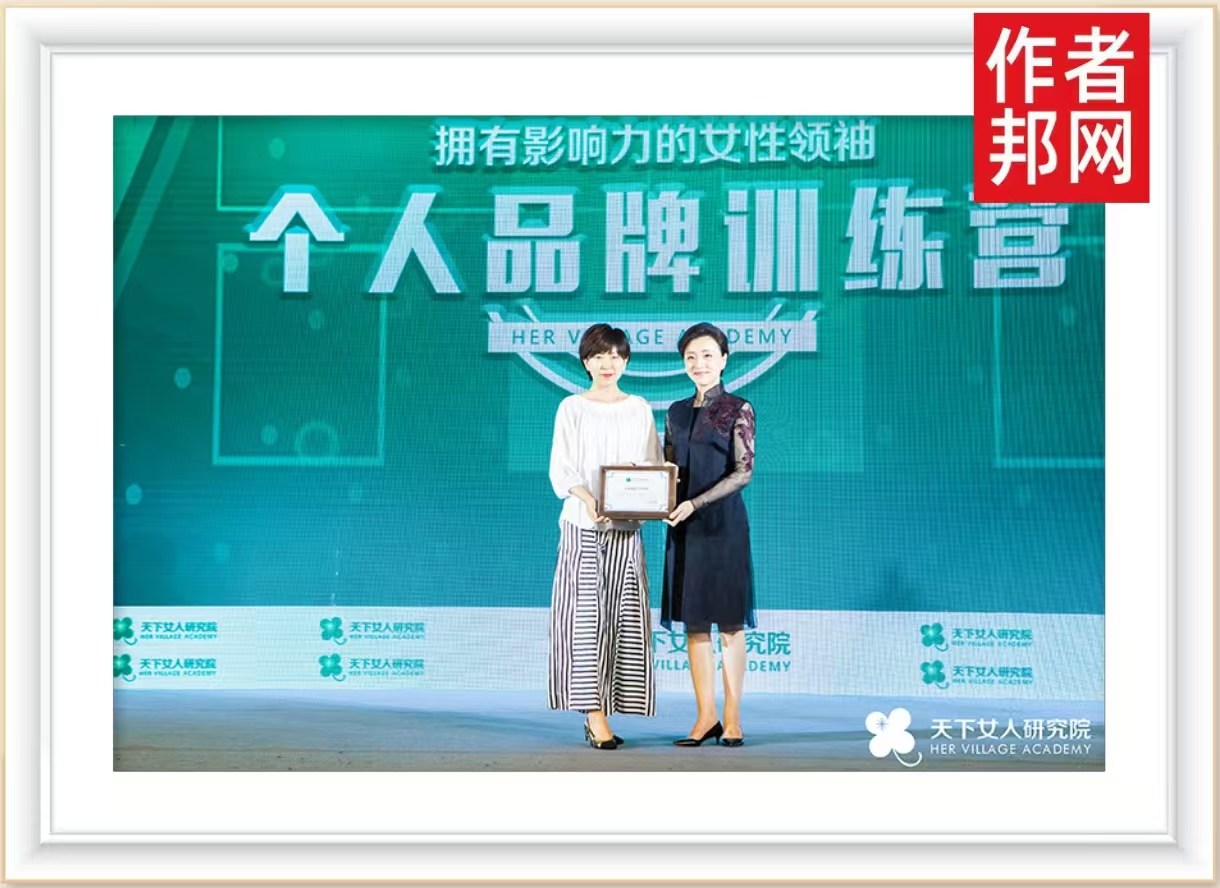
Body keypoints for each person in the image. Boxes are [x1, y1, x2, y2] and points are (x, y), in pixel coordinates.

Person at [547, 324, 663, 750]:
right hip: (582, 524)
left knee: (623, 620)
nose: (607, 363)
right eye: (598, 355)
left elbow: (652, 465)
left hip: (626, 530)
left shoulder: (639, 408)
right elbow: (562, 468)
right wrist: (588, 499)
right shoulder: (571, 407)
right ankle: (593, 716)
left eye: (615, 355)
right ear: (585, 362)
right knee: (585, 621)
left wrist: (644, 500)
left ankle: (611, 707)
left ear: (626, 361)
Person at [662, 323, 757, 747]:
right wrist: (652, 498)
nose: (698, 364)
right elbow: (667, 469)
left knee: (730, 624)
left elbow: (743, 472)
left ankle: (732, 720)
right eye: (690, 357)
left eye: (707, 355)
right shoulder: (675, 412)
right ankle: (705, 718)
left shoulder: (738, 408)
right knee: (695, 625)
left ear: (723, 360)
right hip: (683, 527)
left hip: (723, 527)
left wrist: (695, 504)